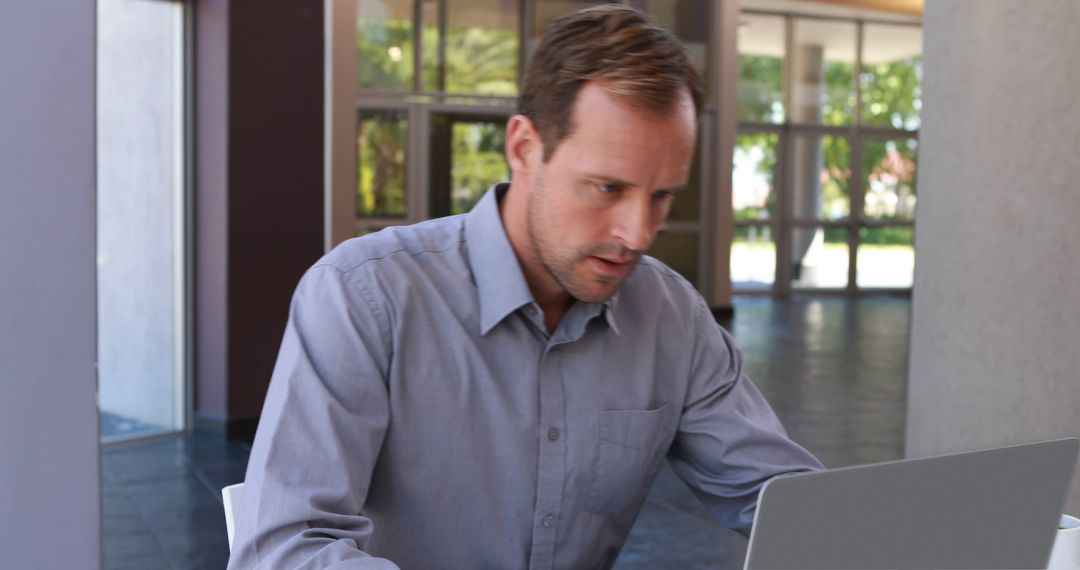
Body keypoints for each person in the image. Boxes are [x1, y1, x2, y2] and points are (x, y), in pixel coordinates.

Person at [228, 5, 822, 569]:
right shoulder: (363, 297)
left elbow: (785, 502)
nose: (638, 233)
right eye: (608, 187)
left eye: (662, 194)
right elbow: (282, 548)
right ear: (523, 148)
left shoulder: (673, 319)